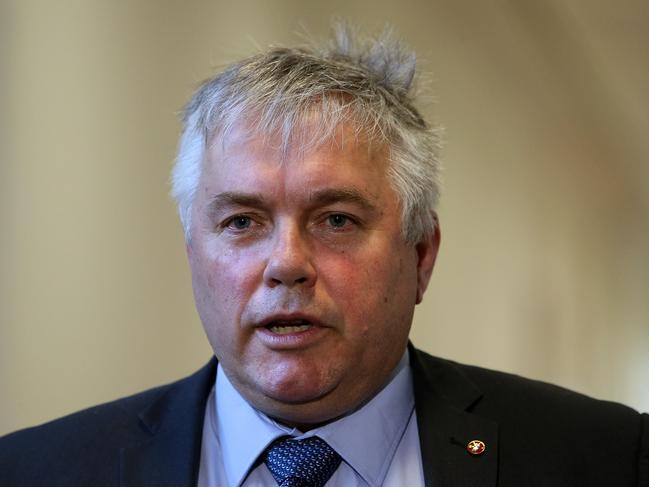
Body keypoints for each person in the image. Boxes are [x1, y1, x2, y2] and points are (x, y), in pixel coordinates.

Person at [1, 24, 647, 487]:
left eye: (335, 219)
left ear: (421, 253)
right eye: (242, 221)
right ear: (193, 252)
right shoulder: (34, 470)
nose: (286, 262)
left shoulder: (604, 459)